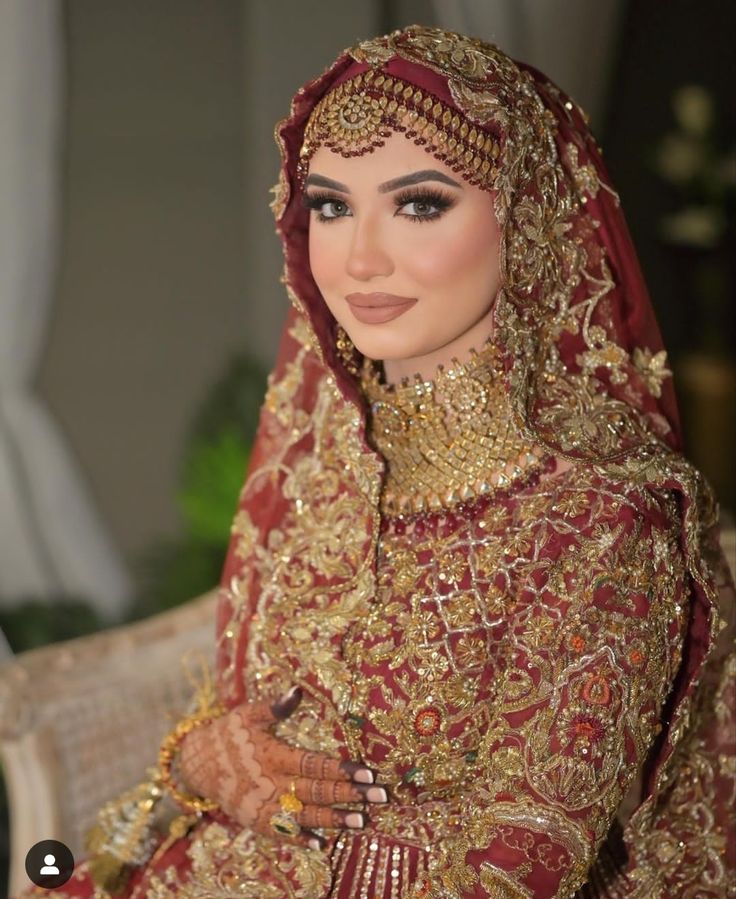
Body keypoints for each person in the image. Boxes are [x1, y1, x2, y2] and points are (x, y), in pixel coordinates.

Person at [26, 24, 735, 899]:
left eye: (420, 203)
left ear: (528, 217)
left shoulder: (603, 517)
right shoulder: (327, 468)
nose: (360, 258)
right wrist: (199, 765)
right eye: (330, 206)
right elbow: (226, 744)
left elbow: (521, 867)